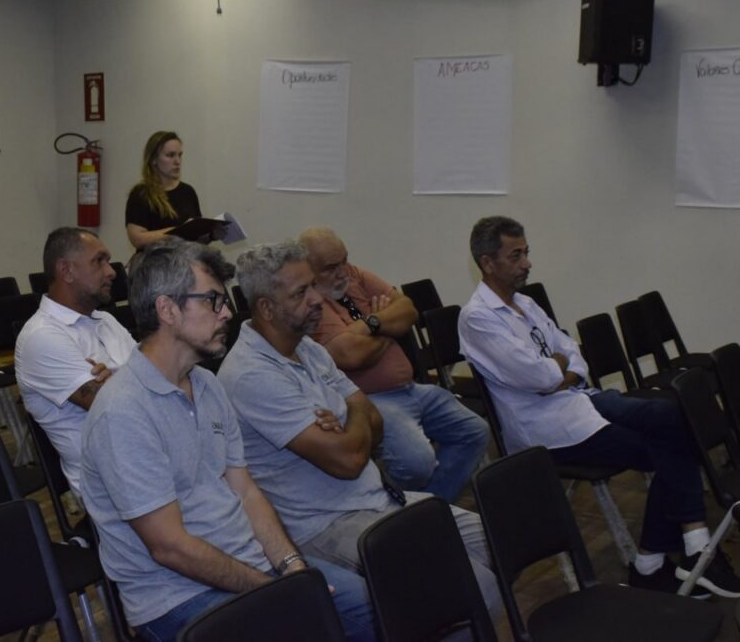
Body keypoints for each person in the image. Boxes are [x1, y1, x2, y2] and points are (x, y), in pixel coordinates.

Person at [79, 238, 376, 642]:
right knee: (307, 625)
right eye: (212, 301)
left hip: (248, 566)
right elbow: (170, 548)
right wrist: (272, 590)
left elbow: (246, 491)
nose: (227, 313)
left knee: (375, 605)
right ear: (167, 310)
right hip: (178, 597)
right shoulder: (122, 412)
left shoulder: (206, 384)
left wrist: (292, 566)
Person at [217, 241, 500, 639]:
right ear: (266, 308)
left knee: (498, 544)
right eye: (301, 292)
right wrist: (353, 418)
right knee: (475, 586)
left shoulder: (307, 348)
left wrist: (347, 422)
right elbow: (349, 461)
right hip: (327, 523)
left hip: (378, 499)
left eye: (313, 286)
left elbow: (373, 419)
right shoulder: (251, 375)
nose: (317, 299)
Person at [458, 215, 740, 596]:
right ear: (487, 263)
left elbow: (573, 353)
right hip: (548, 431)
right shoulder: (477, 318)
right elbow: (539, 378)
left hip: (580, 403)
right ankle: (681, 555)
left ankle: (671, 558)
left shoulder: (526, 303)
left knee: (673, 420)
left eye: (526, 252)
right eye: (515, 256)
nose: (527, 263)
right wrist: (558, 370)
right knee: (672, 437)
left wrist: (560, 370)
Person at [299, 227, 489, 502]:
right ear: (308, 270)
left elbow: (408, 309)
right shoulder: (314, 304)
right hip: (371, 400)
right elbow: (351, 355)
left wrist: (370, 324)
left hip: (411, 389)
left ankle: (428, 509)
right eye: (331, 267)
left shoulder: (356, 276)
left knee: (474, 431)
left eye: (344, 260)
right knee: (417, 463)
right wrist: (388, 327)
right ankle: (401, 511)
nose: (342, 272)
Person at [14, 227, 135, 496]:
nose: (111, 271)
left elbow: (160, 376)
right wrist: (134, 378)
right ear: (66, 271)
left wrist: (117, 381)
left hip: (144, 457)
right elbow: (112, 408)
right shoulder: (42, 336)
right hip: (108, 483)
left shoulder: (105, 320)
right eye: (99, 261)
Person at [124, 131, 203, 250]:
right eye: (170, 155)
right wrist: (178, 232)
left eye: (180, 155)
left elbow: (197, 235)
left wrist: (211, 234)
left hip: (187, 257)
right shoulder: (141, 194)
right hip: (156, 259)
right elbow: (137, 239)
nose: (177, 161)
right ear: (153, 159)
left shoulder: (188, 191)